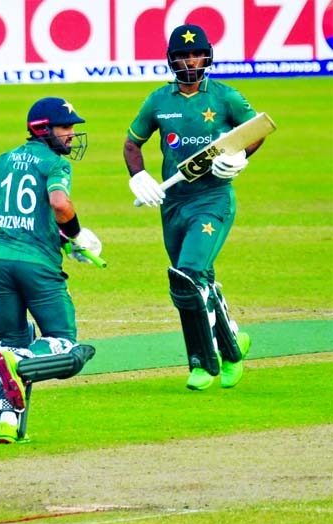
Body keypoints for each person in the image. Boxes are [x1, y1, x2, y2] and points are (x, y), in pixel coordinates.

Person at [124, 24, 257, 391]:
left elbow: (256, 129)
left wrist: (241, 155)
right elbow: (132, 144)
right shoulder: (158, 101)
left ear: (207, 55)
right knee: (202, 279)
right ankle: (232, 345)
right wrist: (139, 176)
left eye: (195, 53)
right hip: (173, 204)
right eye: (182, 55)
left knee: (187, 276)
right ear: (171, 59)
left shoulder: (226, 98)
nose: (189, 61)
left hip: (212, 200)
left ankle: (202, 362)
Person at [0, 97, 100, 444]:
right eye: (65, 127)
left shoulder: (4, 159)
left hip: (1, 261)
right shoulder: (54, 164)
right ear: (43, 129)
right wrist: (75, 235)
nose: (71, 134)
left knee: (8, 343)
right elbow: (60, 204)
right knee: (63, 343)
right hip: (38, 266)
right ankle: (21, 360)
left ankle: (6, 423)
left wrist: (20, 224)